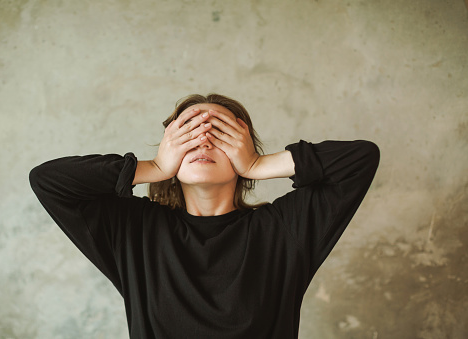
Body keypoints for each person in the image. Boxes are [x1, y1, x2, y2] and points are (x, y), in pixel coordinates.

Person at [29, 93, 379, 339]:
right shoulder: (134, 231)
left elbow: (361, 160)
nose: (203, 143)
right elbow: (48, 180)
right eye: (187, 135)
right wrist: (155, 167)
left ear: (243, 150)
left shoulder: (285, 230)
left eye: (220, 134)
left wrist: (259, 164)